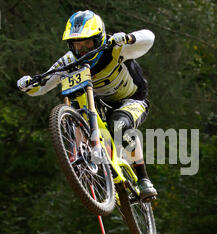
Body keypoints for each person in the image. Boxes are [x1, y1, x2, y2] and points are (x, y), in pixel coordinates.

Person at [17, 10, 157, 201]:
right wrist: (28, 85)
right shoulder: (69, 60)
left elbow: (149, 38)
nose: (82, 50)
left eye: (87, 43)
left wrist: (128, 38)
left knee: (119, 125)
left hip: (132, 99)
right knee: (78, 111)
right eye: (77, 44)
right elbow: (44, 83)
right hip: (101, 104)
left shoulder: (114, 47)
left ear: (99, 38)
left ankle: (143, 179)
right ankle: (84, 155)